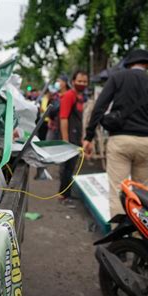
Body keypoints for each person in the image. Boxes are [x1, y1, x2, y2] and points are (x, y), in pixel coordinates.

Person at [83, 49, 148, 217]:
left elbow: (99, 107)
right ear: (147, 64)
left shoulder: (117, 78)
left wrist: (89, 137)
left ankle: (120, 239)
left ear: (128, 64)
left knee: (118, 190)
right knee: (141, 192)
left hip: (121, 140)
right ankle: (137, 235)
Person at [58, 70, 88, 206]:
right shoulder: (69, 96)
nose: (82, 84)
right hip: (69, 137)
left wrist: (82, 137)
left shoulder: (80, 97)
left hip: (76, 136)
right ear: (73, 81)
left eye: (85, 82)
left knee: (72, 167)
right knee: (68, 167)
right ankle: (64, 195)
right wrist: (65, 140)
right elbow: (63, 118)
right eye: (79, 81)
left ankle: (66, 193)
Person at [46, 75, 69, 140]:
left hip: (64, 127)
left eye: (58, 81)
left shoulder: (69, 95)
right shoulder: (54, 95)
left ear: (64, 83)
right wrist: (49, 119)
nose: (57, 83)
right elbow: (49, 109)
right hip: (53, 127)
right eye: (56, 81)